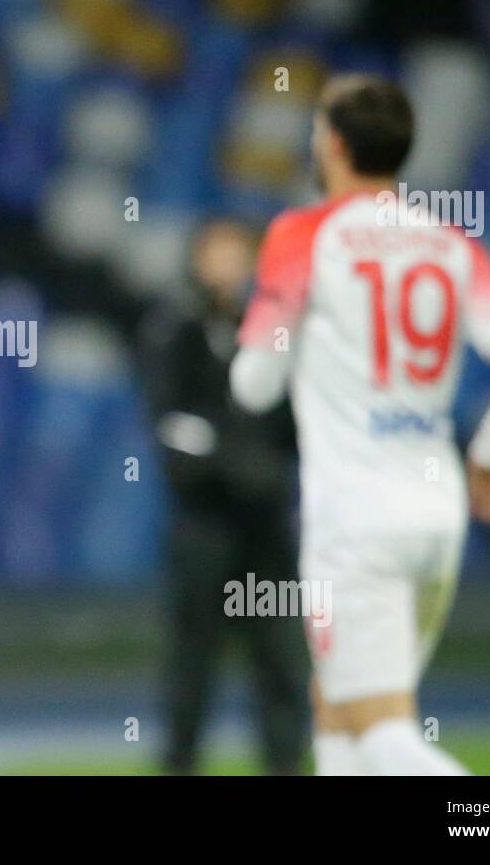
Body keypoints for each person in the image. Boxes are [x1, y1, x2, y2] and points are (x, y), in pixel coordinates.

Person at [229, 74, 490, 775]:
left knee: (385, 736)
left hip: (355, 521)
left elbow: (254, 385)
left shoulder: (302, 234)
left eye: (317, 129)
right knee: (341, 711)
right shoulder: (448, 242)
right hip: (436, 513)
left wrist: (278, 330)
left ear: (335, 144)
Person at [137, 219, 308, 775]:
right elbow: (174, 435)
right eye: (220, 254)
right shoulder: (173, 329)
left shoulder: (276, 334)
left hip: (265, 535)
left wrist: (237, 458)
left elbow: (294, 424)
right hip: (204, 531)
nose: (230, 267)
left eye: (241, 255)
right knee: (192, 669)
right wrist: (249, 464)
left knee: (280, 663)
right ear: (197, 259)